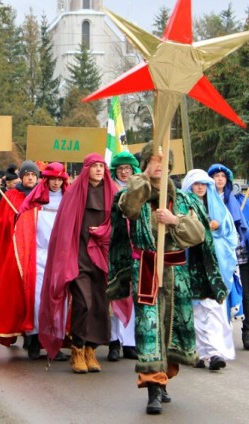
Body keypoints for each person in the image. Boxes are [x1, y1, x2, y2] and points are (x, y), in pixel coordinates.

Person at [108, 143, 227, 415]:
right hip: (147, 269)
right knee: (150, 328)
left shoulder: (185, 201)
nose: (158, 165)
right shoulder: (134, 193)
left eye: (163, 161)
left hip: (177, 273)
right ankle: (152, 388)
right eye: (152, 160)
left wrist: (174, 220)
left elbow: (197, 235)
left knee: (173, 328)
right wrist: (144, 178)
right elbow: (129, 209)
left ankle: (163, 381)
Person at [39, 153, 117, 373]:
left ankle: (92, 349)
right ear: (86, 169)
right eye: (95, 166)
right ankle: (78, 348)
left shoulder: (113, 192)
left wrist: (104, 232)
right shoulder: (74, 193)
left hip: (103, 257)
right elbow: (64, 229)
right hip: (79, 256)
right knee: (83, 302)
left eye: (102, 166)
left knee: (101, 305)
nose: (99, 170)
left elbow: (120, 224)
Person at [0, 162, 69, 360]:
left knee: (59, 300)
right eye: (52, 179)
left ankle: (54, 343)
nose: (56, 183)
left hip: (60, 257)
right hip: (36, 256)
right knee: (37, 299)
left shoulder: (68, 200)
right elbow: (19, 227)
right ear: (46, 180)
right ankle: (33, 340)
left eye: (59, 179)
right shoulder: (34, 200)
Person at [207, 163, 249, 350]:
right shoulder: (206, 200)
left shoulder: (241, 201)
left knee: (244, 294)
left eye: (222, 175)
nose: (219, 179)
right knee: (218, 295)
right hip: (217, 256)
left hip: (239, 256)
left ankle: (248, 333)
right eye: (215, 175)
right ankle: (219, 332)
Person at [181, 169, 240, 370]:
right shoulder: (183, 204)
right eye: (196, 184)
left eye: (204, 184)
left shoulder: (218, 206)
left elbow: (230, 235)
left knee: (214, 309)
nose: (200, 187)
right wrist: (198, 229)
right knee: (196, 311)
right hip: (191, 265)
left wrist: (214, 231)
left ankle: (215, 353)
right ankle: (199, 352)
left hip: (214, 267)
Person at [0, 161, 40, 298]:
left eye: (33, 175)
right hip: (14, 249)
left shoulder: (43, 197)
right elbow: (0, 225)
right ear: (22, 177)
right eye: (27, 174)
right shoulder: (11, 197)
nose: (30, 177)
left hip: (36, 250)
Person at [107, 151, 140, 362]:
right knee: (115, 295)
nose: (124, 171)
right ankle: (113, 342)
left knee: (133, 296)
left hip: (135, 248)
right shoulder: (109, 190)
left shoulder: (139, 189)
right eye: (120, 169)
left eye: (127, 168)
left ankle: (130, 342)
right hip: (115, 248)